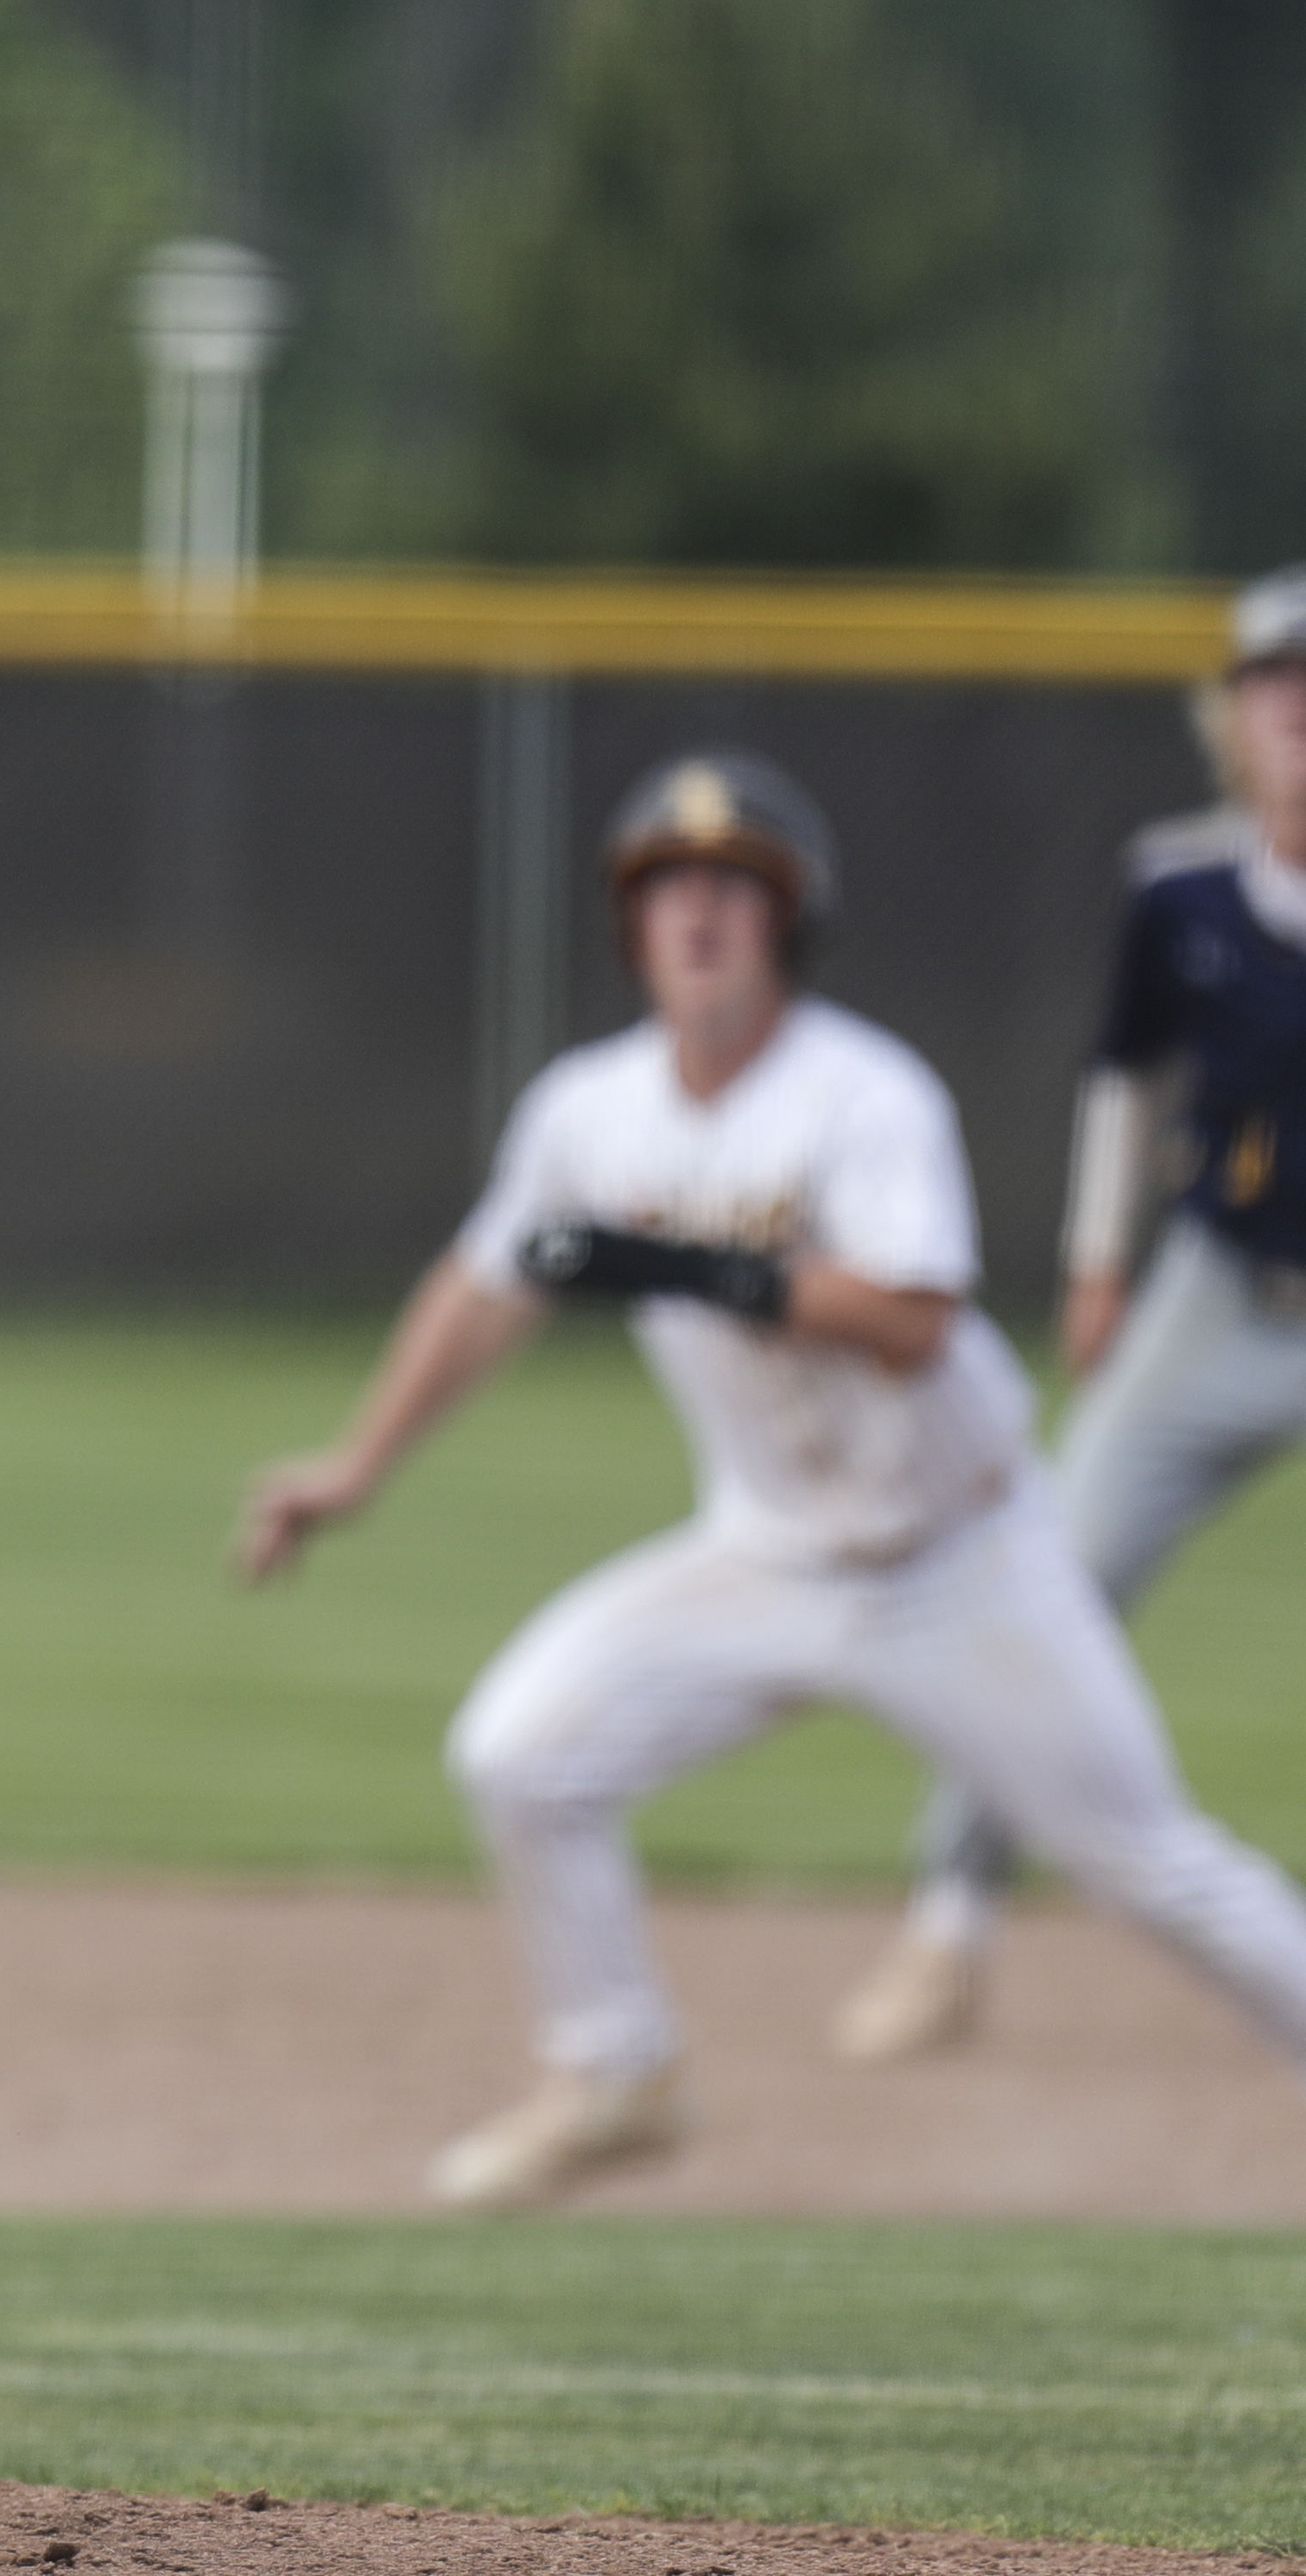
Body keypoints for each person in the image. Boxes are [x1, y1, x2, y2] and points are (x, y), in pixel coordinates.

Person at [233, 749, 1306, 2210]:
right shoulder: (585, 1111)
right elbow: (483, 1288)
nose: (697, 915)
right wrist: (354, 1468)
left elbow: (917, 1321)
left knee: (1155, 1869)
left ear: (786, 922)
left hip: (961, 1566)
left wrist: (688, 1266)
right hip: (764, 1557)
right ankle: (618, 2073)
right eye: (666, 887)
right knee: (521, 1756)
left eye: (733, 888)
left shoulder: (862, 1095)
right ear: (629, 926)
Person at [827, 568, 1306, 2060]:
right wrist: (1096, 1263)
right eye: (1273, 685)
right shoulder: (1181, 886)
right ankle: (949, 1925)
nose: (1296, 712)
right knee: (1042, 1583)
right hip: (1218, 1299)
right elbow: (1122, 1072)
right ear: (1229, 717)